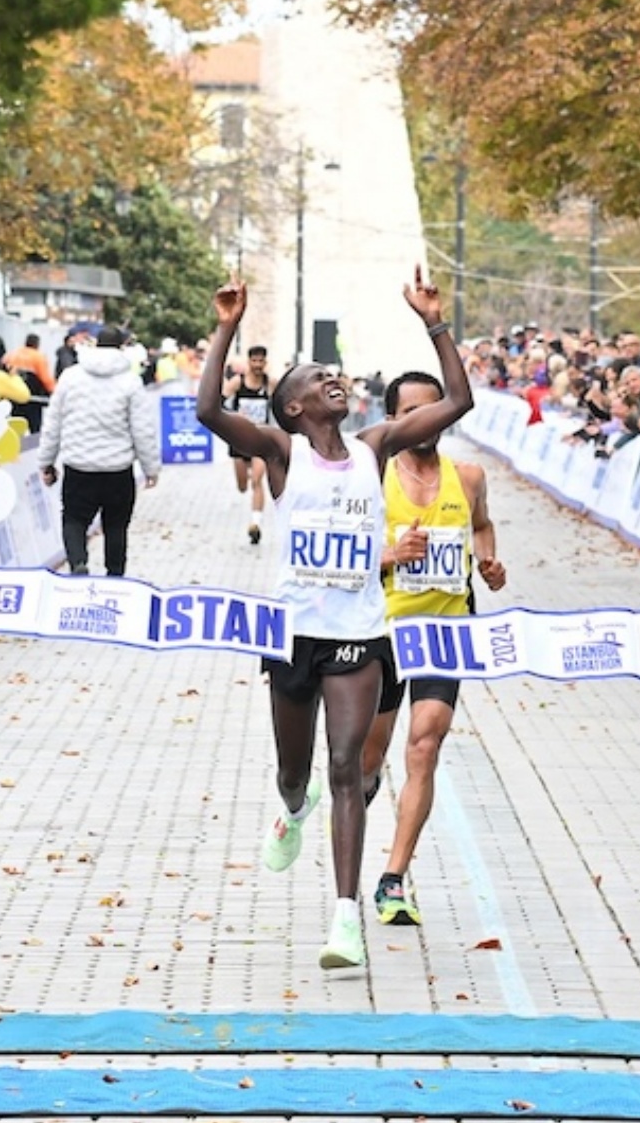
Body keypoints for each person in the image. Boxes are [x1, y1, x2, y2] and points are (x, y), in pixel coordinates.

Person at [194, 270, 470, 970]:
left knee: (347, 765)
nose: (334, 379)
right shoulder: (282, 454)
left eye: (335, 374)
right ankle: (292, 807)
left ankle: (345, 919)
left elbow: (459, 401)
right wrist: (227, 326)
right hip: (293, 638)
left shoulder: (375, 446)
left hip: (358, 636)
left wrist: (434, 322)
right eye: (318, 379)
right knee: (298, 773)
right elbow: (206, 414)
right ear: (292, 406)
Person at [355, 370, 506, 928]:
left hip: (445, 634)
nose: (423, 422)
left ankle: (394, 878)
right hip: (383, 631)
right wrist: (392, 555)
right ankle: (351, 811)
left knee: (425, 744)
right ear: (393, 419)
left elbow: (483, 528)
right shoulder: (370, 477)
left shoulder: (467, 478)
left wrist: (488, 562)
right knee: (368, 759)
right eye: (411, 412)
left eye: (432, 410)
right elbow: (339, 556)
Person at [38, 326, 161, 576]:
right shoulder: (131, 381)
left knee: (73, 519)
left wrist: (46, 462)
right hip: (118, 470)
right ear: (122, 347)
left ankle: (78, 563)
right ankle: (114, 577)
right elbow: (142, 430)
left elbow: (53, 424)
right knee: (116, 526)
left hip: (79, 466)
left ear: (95, 345)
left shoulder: (71, 377)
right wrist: (151, 468)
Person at [225, 344, 273, 544]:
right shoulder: (238, 382)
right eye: (254, 361)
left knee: (257, 482)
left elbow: (282, 405)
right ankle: (247, 473)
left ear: (265, 363)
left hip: (260, 438)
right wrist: (235, 416)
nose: (258, 365)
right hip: (239, 438)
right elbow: (219, 404)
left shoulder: (271, 384)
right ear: (248, 362)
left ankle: (256, 524)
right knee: (243, 486)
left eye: (261, 361)